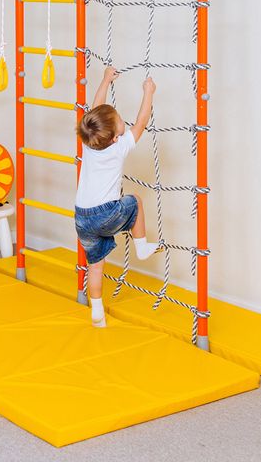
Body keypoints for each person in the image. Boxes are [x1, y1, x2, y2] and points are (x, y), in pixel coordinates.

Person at [75, 66, 161, 327]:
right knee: (135, 200)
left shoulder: (89, 143)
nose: (124, 120)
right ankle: (141, 245)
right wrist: (149, 92)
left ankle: (97, 312)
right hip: (105, 213)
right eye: (120, 120)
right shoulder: (119, 146)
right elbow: (142, 122)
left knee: (95, 266)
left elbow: (95, 110)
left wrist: (105, 80)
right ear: (114, 137)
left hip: (82, 218)